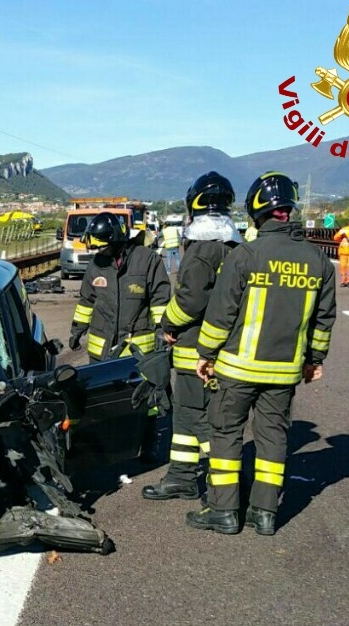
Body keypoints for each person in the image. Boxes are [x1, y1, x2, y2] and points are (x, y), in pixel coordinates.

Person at [185, 172, 337, 535]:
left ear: (257, 210)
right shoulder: (318, 261)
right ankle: (265, 513)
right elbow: (323, 320)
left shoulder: (246, 256)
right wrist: (315, 361)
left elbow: (222, 314)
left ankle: (223, 511)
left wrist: (205, 353)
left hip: (237, 369)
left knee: (225, 435)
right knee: (272, 437)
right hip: (283, 374)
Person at [142, 172, 242, 502]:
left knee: (197, 417)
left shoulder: (202, 251)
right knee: (186, 417)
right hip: (217, 347)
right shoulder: (234, 247)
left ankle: (222, 482)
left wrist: (168, 323)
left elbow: (190, 300)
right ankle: (182, 477)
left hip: (195, 350)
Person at [69, 211, 171, 460]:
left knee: (147, 402)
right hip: (102, 349)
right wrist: (77, 329)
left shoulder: (146, 260)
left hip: (139, 349)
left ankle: (149, 442)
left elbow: (160, 297)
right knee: (104, 400)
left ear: (116, 242)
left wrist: (162, 330)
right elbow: (87, 301)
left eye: (103, 247)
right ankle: (108, 446)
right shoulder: (96, 266)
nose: (99, 253)